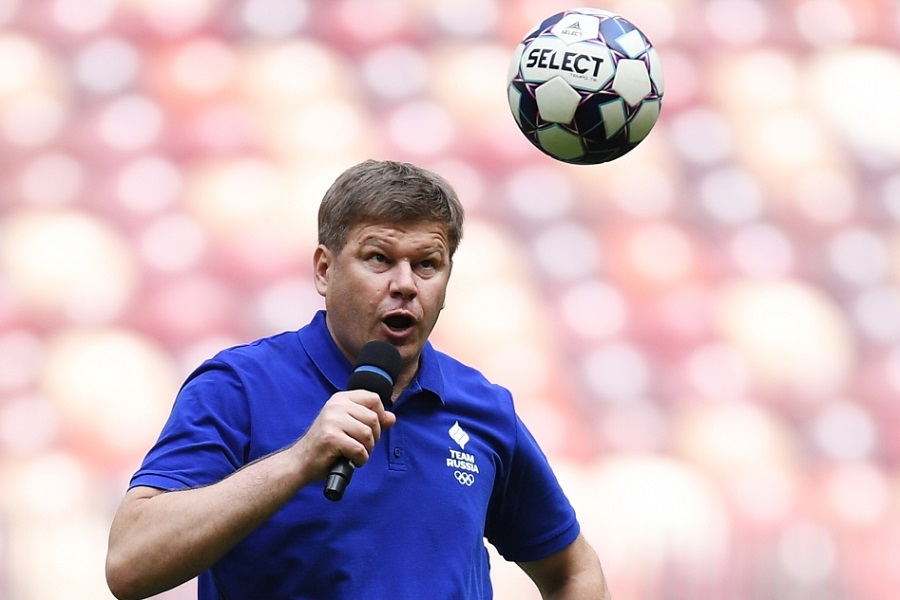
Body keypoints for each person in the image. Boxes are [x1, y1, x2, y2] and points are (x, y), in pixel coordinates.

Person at [106, 159, 611, 599]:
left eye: (427, 264)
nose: (405, 285)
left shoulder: (483, 407)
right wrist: (298, 462)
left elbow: (573, 570)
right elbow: (130, 565)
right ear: (324, 270)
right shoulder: (239, 387)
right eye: (379, 259)